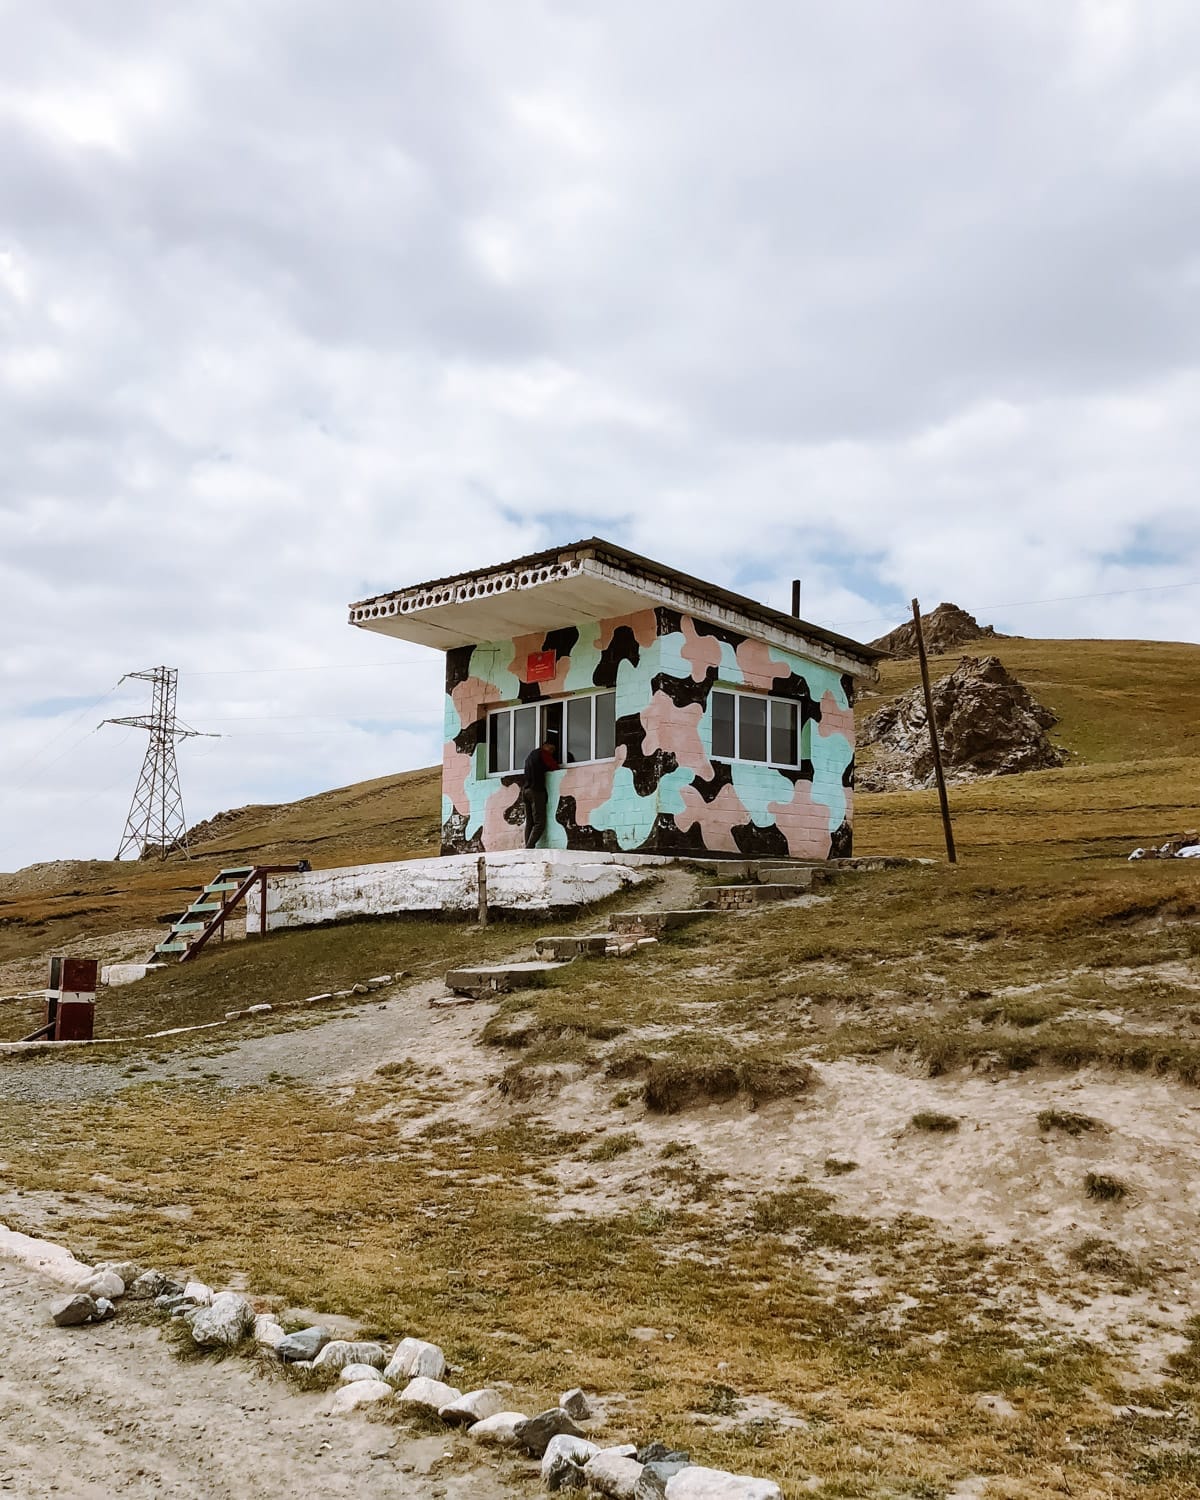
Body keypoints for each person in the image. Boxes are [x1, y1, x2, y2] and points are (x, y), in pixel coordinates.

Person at [521, 736, 559, 848]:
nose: (551, 753)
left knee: (530, 822)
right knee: (540, 823)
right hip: (536, 790)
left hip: (525, 790)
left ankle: (528, 846)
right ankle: (529, 847)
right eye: (551, 749)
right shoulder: (543, 754)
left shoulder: (530, 756)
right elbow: (554, 766)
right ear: (545, 746)